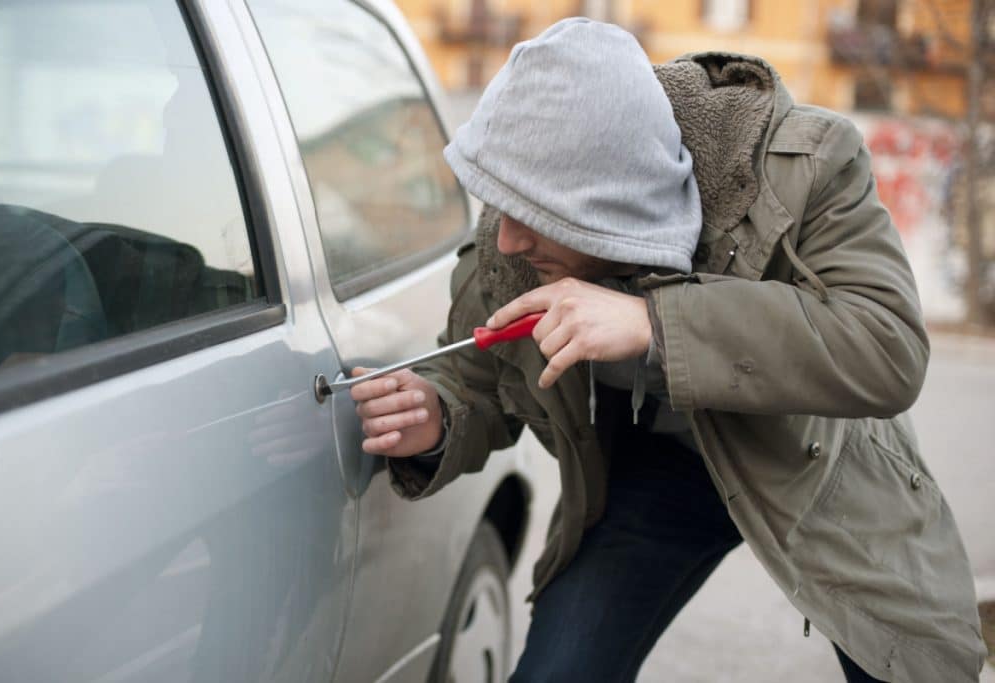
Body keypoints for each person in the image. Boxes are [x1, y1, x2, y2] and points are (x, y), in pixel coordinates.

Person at [350, 18, 986, 683]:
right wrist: (437, 413)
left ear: (608, 203)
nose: (506, 240)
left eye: (531, 217)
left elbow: (887, 345)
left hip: (814, 459)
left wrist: (653, 322)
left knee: (914, 668)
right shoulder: (518, 226)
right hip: (661, 473)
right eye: (501, 208)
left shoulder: (805, 165)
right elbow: (481, 374)